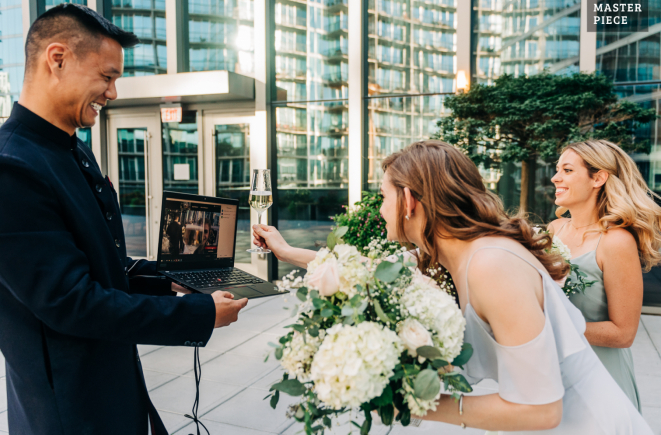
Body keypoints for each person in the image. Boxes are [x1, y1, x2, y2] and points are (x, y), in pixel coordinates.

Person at [0, 4, 248, 434]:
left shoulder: (73, 149)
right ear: (56, 59)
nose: (112, 93)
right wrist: (198, 314)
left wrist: (169, 278)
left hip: (111, 391)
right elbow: (71, 302)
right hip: (69, 413)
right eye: (107, 76)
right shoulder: (3, 168)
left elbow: (99, 265)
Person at [253, 140, 652, 433]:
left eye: (383, 196)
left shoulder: (491, 265)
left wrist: (408, 401)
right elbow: (368, 268)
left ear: (409, 200)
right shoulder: (454, 256)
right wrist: (287, 252)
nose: (379, 208)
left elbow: (539, 410)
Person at [548, 140, 661, 411]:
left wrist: (550, 326)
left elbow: (623, 333)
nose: (555, 177)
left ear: (598, 178)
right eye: (557, 169)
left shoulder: (615, 242)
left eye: (567, 170)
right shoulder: (554, 229)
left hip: (598, 382)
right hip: (551, 373)